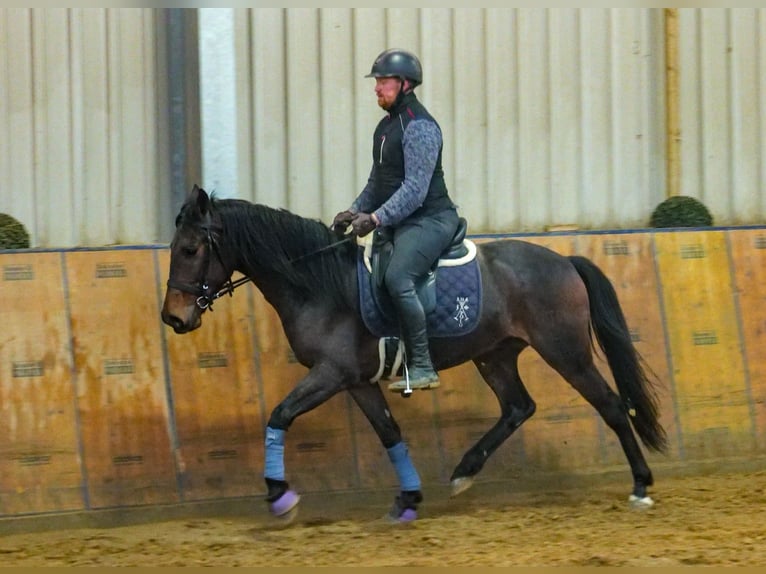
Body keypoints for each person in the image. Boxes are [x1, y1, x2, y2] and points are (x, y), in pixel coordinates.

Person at [333, 48, 461, 393]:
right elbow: (379, 182)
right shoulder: (386, 127)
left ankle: (421, 364)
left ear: (405, 84)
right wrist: (354, 210)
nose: (377, 88)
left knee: (399, 275)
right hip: (403, 222)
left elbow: (415, 190)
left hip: (431, 219)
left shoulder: (420, 127)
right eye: (376, 81)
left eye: (383, 81)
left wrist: (374, 218)